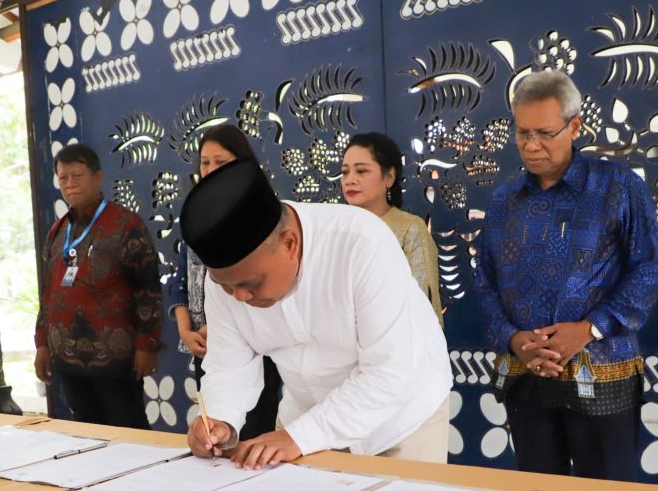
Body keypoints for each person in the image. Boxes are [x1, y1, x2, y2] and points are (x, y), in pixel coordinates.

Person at [181, 158, 451, 468]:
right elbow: (230, 365)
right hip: (305, 418)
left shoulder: (361, 245)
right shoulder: (226, 281)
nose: (239, 296)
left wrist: (297, 437)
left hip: (402, 419)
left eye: (250, 283)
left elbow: (387, 372)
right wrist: (219, 421)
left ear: (290, 244)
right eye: (227, 287)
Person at [473, 69, 658, 481]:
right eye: (522, 133)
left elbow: (649, 271)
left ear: (575, 125)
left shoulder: (618, 186)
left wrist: (590, 329)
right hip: (525, 374)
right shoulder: (504, 198)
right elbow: (485, 283)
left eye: (544, 132)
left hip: (601, 369)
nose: (531, 145)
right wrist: (512, 339)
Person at [34, 143, 162, 428]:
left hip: (114, 358)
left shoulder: (125, 225)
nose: (69, 184)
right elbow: (48, 294)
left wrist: (147, 345)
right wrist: (42, 344)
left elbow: (148, 291)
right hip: (67, 358)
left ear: (98, 177)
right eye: (63, 178)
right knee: (86, 432)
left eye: (77, 176)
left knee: (128, 429)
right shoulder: (58, 230)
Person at [170, 124, 280, 438]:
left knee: (256, 425)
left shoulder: (260, 210)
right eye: (205, 162)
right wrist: (185, 330)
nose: (210, 169)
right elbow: (180, 279)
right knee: (215, 420)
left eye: (220, 161)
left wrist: (218, 327)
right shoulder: (195, 213)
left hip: (253, 338)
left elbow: (264, 284)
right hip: (202, 342)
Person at [341, 132, 443, 322]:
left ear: (389, 177)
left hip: (396, 341)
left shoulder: (410, 228)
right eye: (345, 172)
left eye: (361, 171)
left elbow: (420, 302)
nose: (350, 179)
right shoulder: (337, 230)